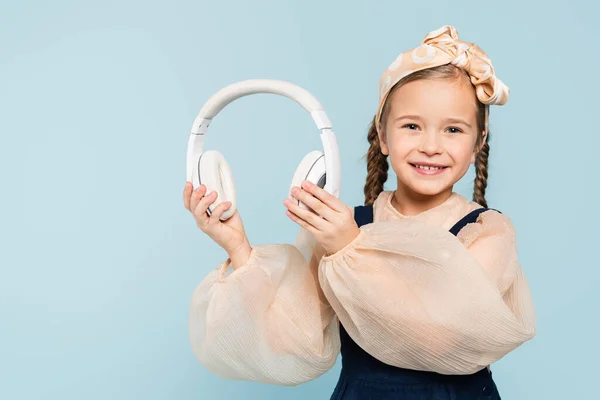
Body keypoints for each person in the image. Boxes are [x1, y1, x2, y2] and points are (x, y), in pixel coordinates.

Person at [182, 25, 536, 399]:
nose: (431, 146)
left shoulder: (487, 232)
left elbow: (444, 336)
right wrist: (239, 247)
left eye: (453, 129)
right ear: (383, 136)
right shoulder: (343, 228)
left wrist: (350, 249)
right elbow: (296, 340)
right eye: (412, 126)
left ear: (478, 142)